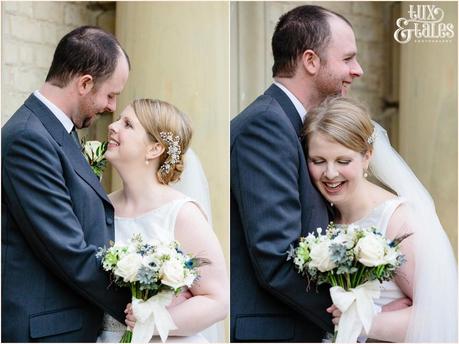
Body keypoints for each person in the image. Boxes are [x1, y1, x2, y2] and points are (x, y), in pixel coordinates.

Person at [230, 5, 363, 341]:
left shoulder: (291, 123)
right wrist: (353, 315)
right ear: (311, 61)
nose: (357, 70)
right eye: (347, 58)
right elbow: (277, 257)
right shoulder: (265, 127)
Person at [1, 26, 132, 342]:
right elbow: (67, 249)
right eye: (111, 94)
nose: (112, 107)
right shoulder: (27, 138)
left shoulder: (57, 132)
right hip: (48, 333)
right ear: (85, 83)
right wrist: (143, 299)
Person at [303, 96, 457, 342]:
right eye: (318, 161)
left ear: (367, 156)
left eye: (343, 161)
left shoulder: (397, 221)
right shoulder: (323, 217)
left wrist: (362, 322)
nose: (330, 174)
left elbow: (437, 314)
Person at [97, 99, 228, 342]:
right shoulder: (101, 206)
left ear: (154, 149)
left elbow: (217, 300)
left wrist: (153, 320)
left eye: (127, 124)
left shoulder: (181, 214)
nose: (113, 126)